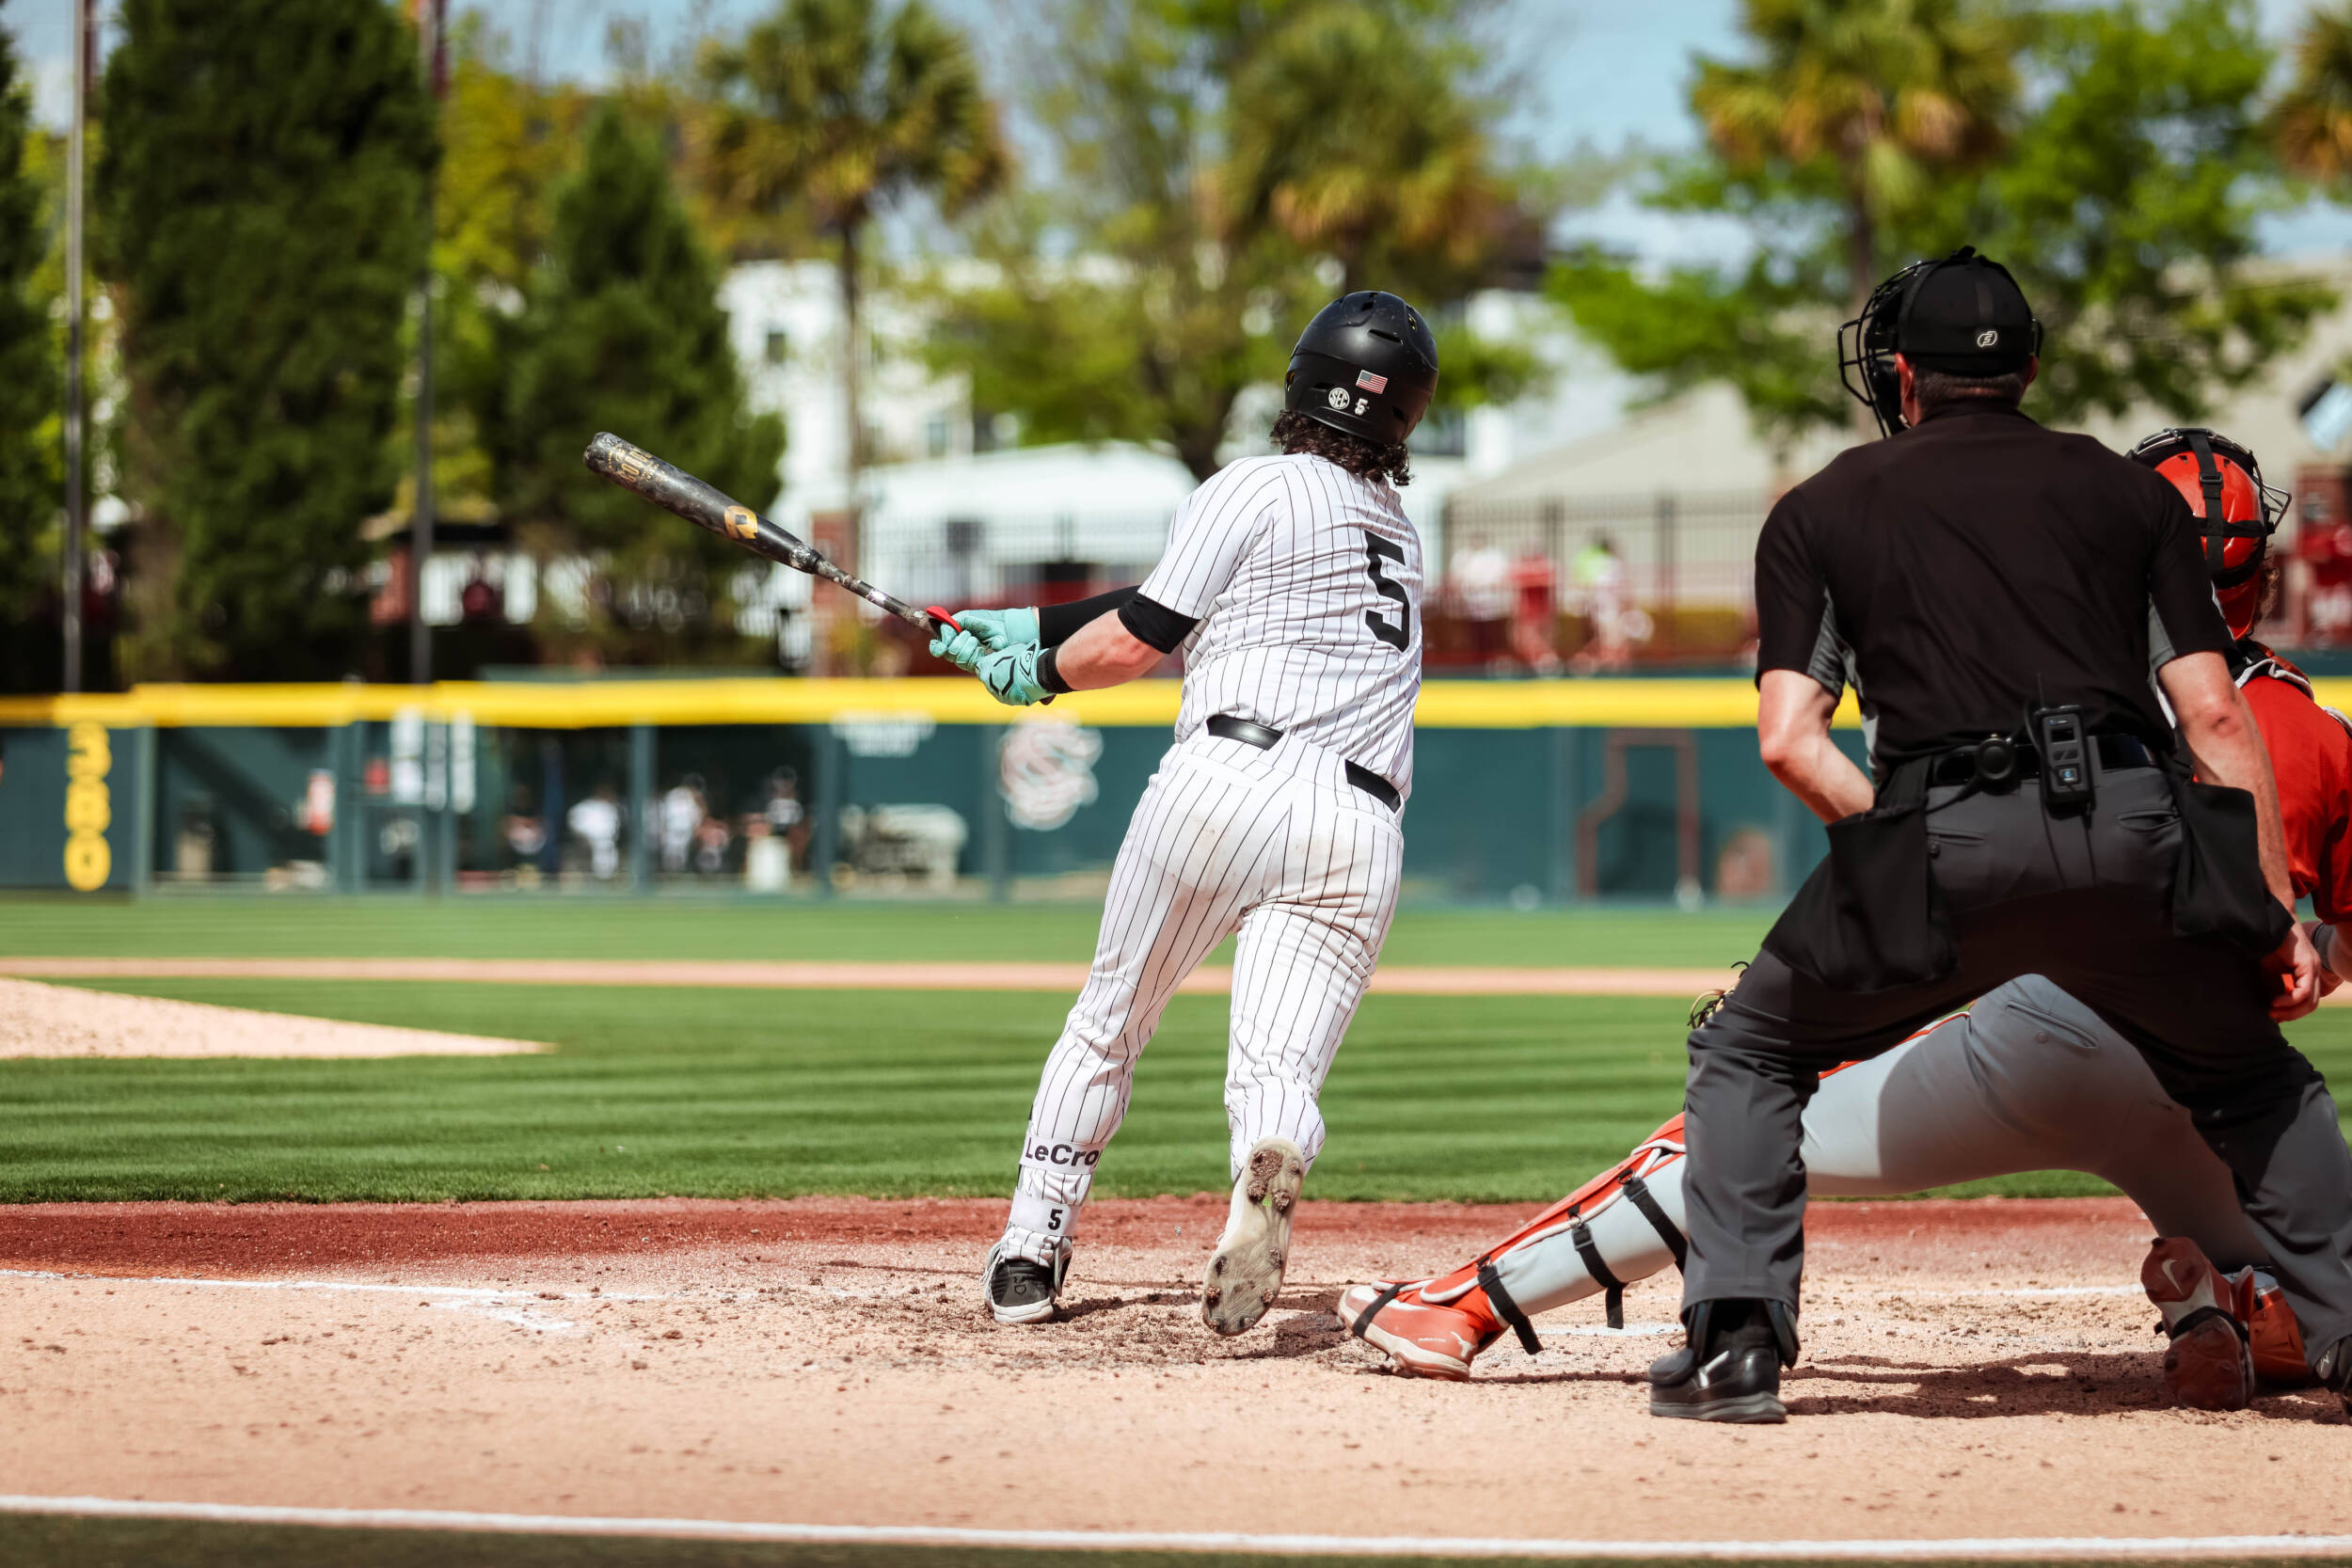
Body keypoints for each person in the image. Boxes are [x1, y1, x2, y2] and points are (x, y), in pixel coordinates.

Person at [1342, 428, 2340, 1416]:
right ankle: (2233, 1303)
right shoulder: (2315, 729)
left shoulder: (2042, 682)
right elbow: (2328, 948)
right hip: (2211, 1069)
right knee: (2303, 1208)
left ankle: (1466, 1307)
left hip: (2037, 1038)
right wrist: (2290, 951)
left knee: (1742, 1103)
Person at [1645, 246, 2352, 1426]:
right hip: (2135, 831)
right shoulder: (2130, 497)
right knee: (2252, 1080)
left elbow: (1787, 740)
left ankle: (1735, 1351)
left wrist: (1901, 843)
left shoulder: (1820, 506)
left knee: (1748, 1051)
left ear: (1904, 376)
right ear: (2029, 367)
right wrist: (2270, 906)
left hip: (1943, 824)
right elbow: (2216, 716)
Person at [928, 291, 1438, 1335]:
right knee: (1276, 1069)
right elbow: (1166, 598)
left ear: (1298, 381)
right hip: (1355, 826)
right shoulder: (1397, 531)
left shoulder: (1251, 482)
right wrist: (1023, 626)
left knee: (1110, 1020)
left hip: (1223, 785)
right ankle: (1270, 1154)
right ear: (1405, 417)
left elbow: (1136, 638)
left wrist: (1037, 674)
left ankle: (1033, 1243)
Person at [1449, 533, 1512, 667]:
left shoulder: (1494, 556)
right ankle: (1477, 664)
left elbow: (1502, 579)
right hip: (1470, 608)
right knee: (1475, 639)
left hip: (1493, 607)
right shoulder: (1464, 556)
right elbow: (1457, 580)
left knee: (1493, 639)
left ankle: (1493, 663)